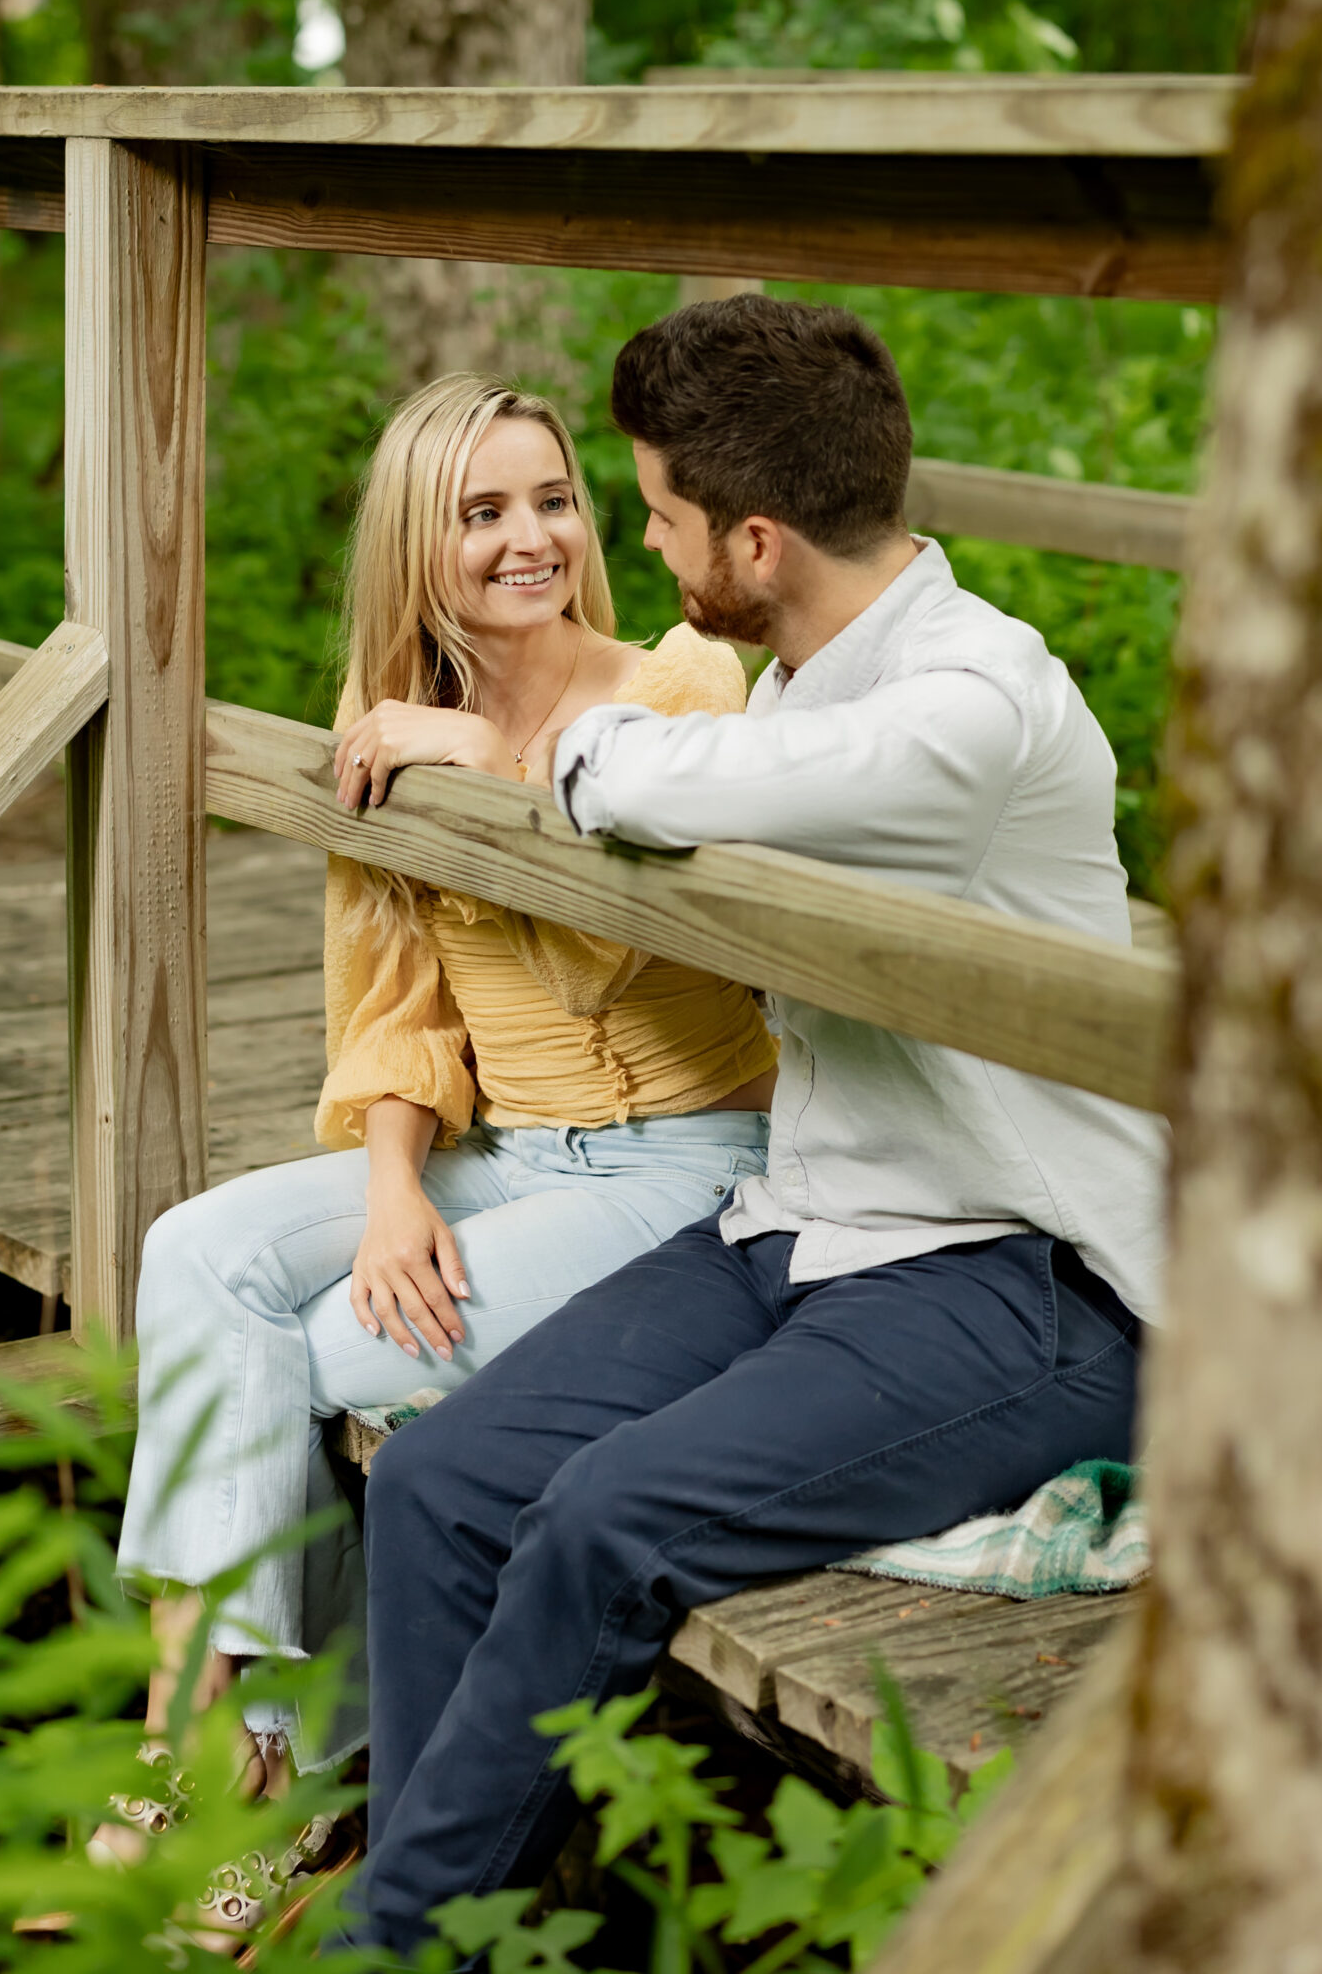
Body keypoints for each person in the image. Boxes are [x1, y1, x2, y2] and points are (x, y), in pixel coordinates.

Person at [343, 296, 1169, 1953]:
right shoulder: (800, 680)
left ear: (758, 537)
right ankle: (439, 1913)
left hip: (1028, 1274)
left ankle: (393, 1951)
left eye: (649, 512)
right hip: (804, 1224)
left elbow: (653, 782)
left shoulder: (974, 700)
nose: (633, 545)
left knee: (601, 1522)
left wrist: (513, 740)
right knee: (438, 1480)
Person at [114, 373, 777, 1811]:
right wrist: (394, 1187)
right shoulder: (386, 714)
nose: (527, 537)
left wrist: (490, 766)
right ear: (420, 539)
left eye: (550, 500)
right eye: (480, 512)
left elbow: (611, 958)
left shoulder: (679, 686)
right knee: (195, 1254)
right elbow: (396, 995)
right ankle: (226, 1728)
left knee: (302, 1360)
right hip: (510, 1153)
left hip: (686, 1161)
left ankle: (225, 1755)